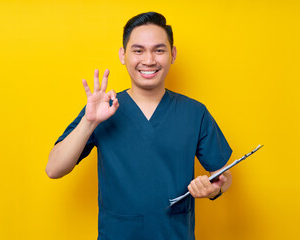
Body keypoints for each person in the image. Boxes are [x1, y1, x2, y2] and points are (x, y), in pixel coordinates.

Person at [46, 12, 232, 240]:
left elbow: (224, 175)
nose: (149, 60)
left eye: (159, 50)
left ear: (172, 54)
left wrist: (216, 188)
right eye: (138, 50)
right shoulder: (104, 109)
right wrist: (90, 121)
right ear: (123, 55)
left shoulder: (194, 112)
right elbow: (54, 169)